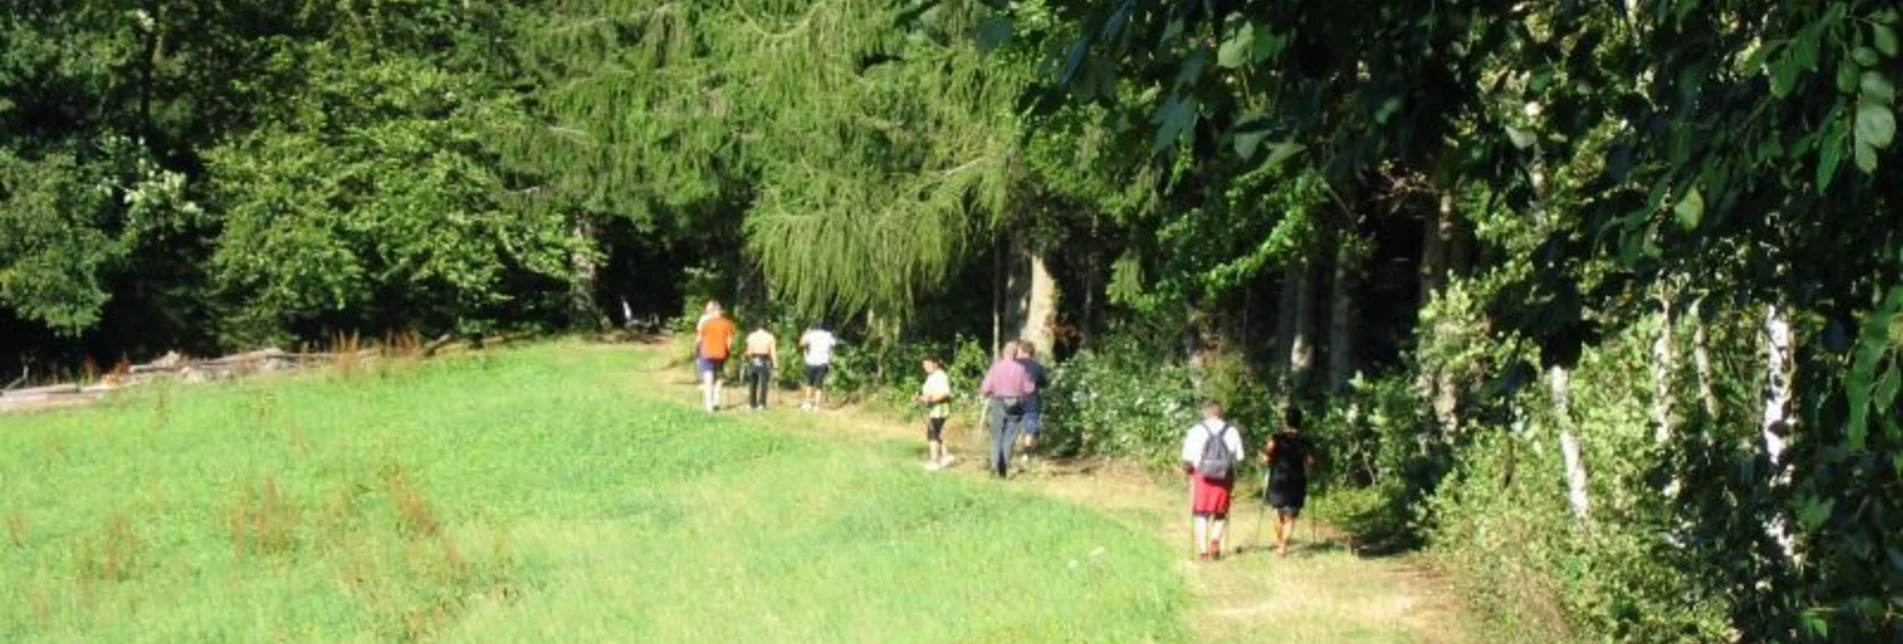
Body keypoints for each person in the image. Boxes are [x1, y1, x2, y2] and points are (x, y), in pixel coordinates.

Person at [1180, 401, 1246, 561]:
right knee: (1220, 512)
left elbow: (1187, 458)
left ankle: (1203, 552)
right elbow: (1240, 457)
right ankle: (1215, 540)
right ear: (1220, 413)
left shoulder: (1196, 430)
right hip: (1224, 477)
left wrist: (1188, 470)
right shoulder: (1231, 430)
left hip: (1203, 476)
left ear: (1205, 413)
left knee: (1201, 514)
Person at [1261, 407, 1316, 558]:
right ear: (1301, 421)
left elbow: (1264, 458)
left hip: (1277, 479)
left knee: (1276, 512)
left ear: (1285, 421)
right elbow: (1311, 461)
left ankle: (1280, 542)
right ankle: (1283, 545)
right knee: (1290, 516)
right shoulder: (1305, 440)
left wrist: (1268, 459)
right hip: (1296, 480)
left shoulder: (1275, 437)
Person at [978, 341, 1036, 479]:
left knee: (996, 435)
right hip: (1016, 404)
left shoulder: (996, 367)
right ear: (1016, 354)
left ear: (1003, 352)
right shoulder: (1022, 369)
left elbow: (985, 388)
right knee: (1009, 437)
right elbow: (1029, 389)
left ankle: (994, 465)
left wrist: (986, 394)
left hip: (998, 402)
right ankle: (1003, 468)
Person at [694, 302, 738, 411]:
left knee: (708, 377)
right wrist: (730, 352)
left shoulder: (705, 324)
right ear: (720, 311)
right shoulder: (728, 324)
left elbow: (699, 340)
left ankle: (709, 405)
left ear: (713, 311)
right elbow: (729, 342)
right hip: (721, 354)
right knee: (719, 377)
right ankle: (716, 401)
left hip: (706, 353)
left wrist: (695, 349)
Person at [915, 358, 955, 469]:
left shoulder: (940, 376)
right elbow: (929, 393)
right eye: (924, 365)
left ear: (935, 364)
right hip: (934, 409)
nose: (925, 367)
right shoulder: (932, 376)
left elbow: (945, 393)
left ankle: (934, 461)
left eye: (928, 364)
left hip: (939, 409)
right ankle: (945, 456)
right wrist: (920, 398)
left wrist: (930, 399)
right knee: (938, 433)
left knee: (932, 434)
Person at [1016, 341, 1050, 467]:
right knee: (1031, 428)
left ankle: (1008, 450)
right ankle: (1027, 454)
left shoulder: (1014, 364)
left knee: (1013, 425)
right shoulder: (1037, 367)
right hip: (1031, 401)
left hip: (1014, 400)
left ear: (1022, 351)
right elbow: (1044, 383)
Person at [798, 324, 838, 411]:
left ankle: (807, 403)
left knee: (809, 383)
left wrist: (805, 333)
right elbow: (833, 346)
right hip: (823, 362)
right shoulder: (828, 335)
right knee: (819, 385)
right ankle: (816, 405)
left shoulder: (811, 334)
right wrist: (829, 358)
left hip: (811, 361)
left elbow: (801, 344)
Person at [743, 322, 779, 410]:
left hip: (754, 358)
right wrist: (775, 365)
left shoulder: (751, 336)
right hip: (765, 359)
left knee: (753, 382)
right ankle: (762, 403)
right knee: (764, 382)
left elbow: (749, 350)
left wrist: (745, 356)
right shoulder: (770, 337)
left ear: (757, 327)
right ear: (766, 327)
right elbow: (773, 352)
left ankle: (752, 403)